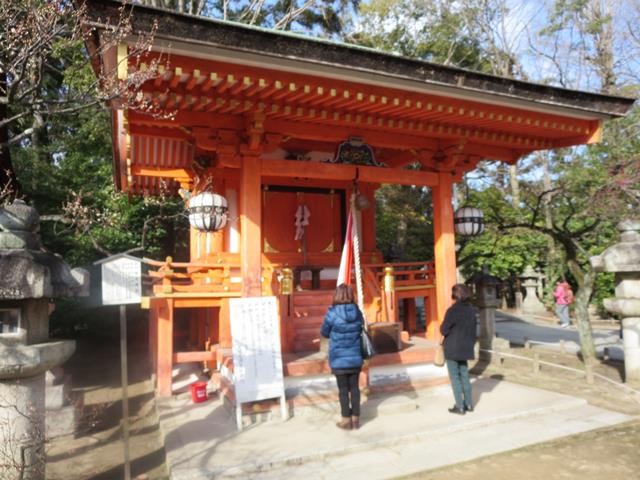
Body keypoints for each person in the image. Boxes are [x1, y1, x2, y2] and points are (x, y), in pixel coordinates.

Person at [320, 284, 364, 430]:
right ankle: (356, 419)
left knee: (343, 390)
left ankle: (346, 419)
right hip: (355, 356)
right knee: (355, 388)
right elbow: (361, 327)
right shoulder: (357, 312)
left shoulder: (332, 313)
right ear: (351, 295)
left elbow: (325, 332)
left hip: (339, 357)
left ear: (336, 295)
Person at [440, 283, 477, 415]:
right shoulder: (472, 310)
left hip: (453, 348)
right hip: (466, 347)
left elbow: (443, 330)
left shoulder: (452, 311)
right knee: (465, 376)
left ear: (455, 295)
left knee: (455, 378)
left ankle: (459, 406)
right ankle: (469, 404)